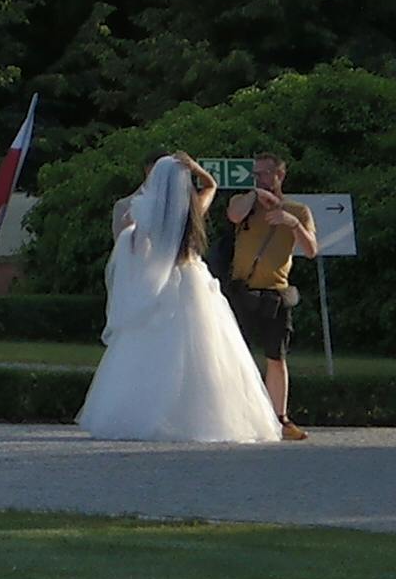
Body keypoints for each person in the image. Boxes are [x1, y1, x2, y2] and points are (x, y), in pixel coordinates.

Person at [74, 150, 283, 444]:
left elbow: (132, 249)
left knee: (148, 353)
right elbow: (211, 185)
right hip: (193, 281)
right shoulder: (193, 208)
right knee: (205, 352)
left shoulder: (142, 217)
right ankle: (202, 416)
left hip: (159, 290)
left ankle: (144, 413)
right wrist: (196, 168)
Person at [217, 156, 320, 440]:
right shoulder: (245, 203)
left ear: (280, 175)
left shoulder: (298, 210)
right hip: (242, 290)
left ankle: (280, 417)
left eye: (266, 174)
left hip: (276, 291)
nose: (261, 178)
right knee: (236, 354)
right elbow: (233, 215)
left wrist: (291, 223)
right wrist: (254, 195)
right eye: (256, 174)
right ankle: (236, 414)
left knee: (276, 356)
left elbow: (311, 250)